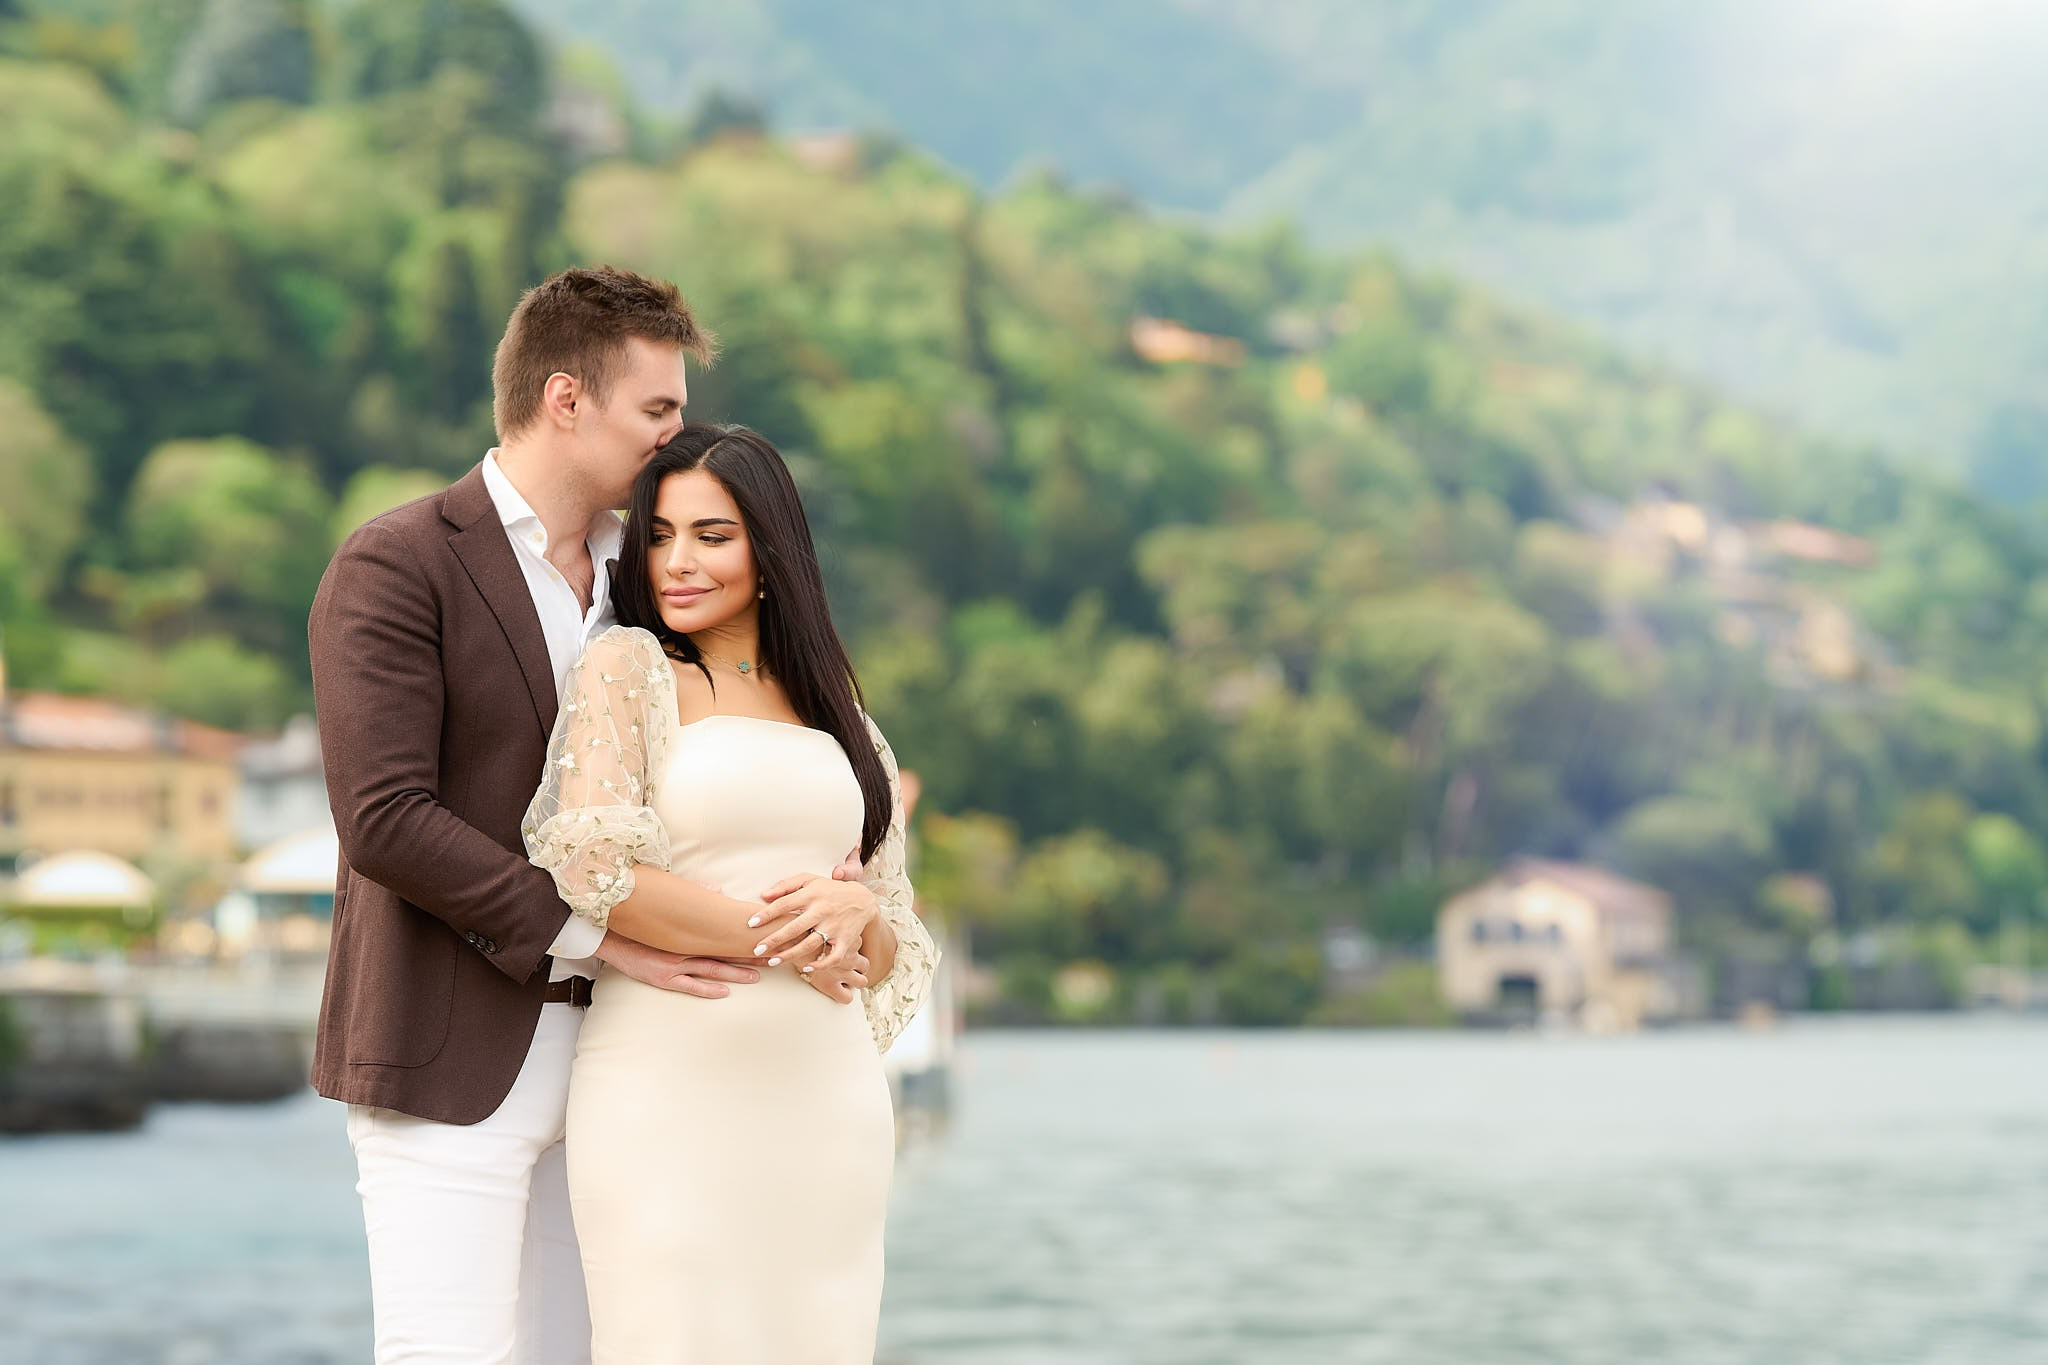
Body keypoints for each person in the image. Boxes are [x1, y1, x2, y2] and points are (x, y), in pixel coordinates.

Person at [310, 266, 788, 1363]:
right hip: (445, 1059)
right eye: (658, 411)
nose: (678, 440)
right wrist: (594, 934)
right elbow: (383, 818)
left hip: (634, 1066)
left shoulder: (656, 585)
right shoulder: (399, 562)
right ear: (566, 400)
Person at [522, 422, 940, 1364]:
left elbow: (890, 941)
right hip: (667, 1088)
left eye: (712, 535)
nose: (677, 561)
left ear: (771, 545)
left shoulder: (846, 722)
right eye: (659, 535)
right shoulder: (628, 670)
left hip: (826, 1101)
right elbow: (598, 875)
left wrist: (860, 916)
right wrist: (796, 934)